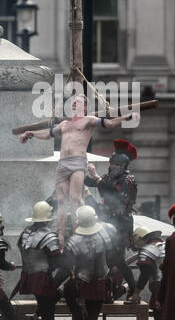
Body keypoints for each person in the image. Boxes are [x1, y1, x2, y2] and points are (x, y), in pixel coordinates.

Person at [19, 94, 139, 249]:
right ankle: (60, 235)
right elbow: (47, 134)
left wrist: (125, 118)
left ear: (85, 107)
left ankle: (78, 234)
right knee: (61, 200)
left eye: (79, 102)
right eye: (73, 102)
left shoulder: (89, 120)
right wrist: (31, 133)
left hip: (77, 161)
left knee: (75, 198)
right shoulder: (64, 124)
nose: (75, 103)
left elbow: (108, 123)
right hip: (63, 163)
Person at [84, 139, 138, 298]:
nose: (110, 167)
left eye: (113, 164)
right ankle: (110, 291)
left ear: (122, 167)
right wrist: (79, 173)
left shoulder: (128, 181)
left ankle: (133, 290)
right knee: (107, 258)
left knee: (118, 261)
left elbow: (115, 195)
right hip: (107, 222)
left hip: (120, 225)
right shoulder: (110, 177)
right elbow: (93, 182)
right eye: (110, 163)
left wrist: (97, 178)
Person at [54, 205, 119, 320]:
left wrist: (53, 284)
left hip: (82, 283)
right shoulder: (106, 233)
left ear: (79, 221)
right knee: (92, 318)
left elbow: (66, 268)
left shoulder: (74, 241)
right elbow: (113, 258)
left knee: (68, 291)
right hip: (101, 281)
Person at [17, 201, 62, 320]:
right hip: (42, 279)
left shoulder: (25, 232)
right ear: (47, 219)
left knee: (45, 305)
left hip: (29, 276)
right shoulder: (48, 235)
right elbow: (57, 260)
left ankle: (35, 317)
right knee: (48, 314)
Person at [130, 226, 165, 320]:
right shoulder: (165, 244)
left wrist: (136, 294)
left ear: (141, 238)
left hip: (159, 288)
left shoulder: (146, 250)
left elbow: (145, 274)